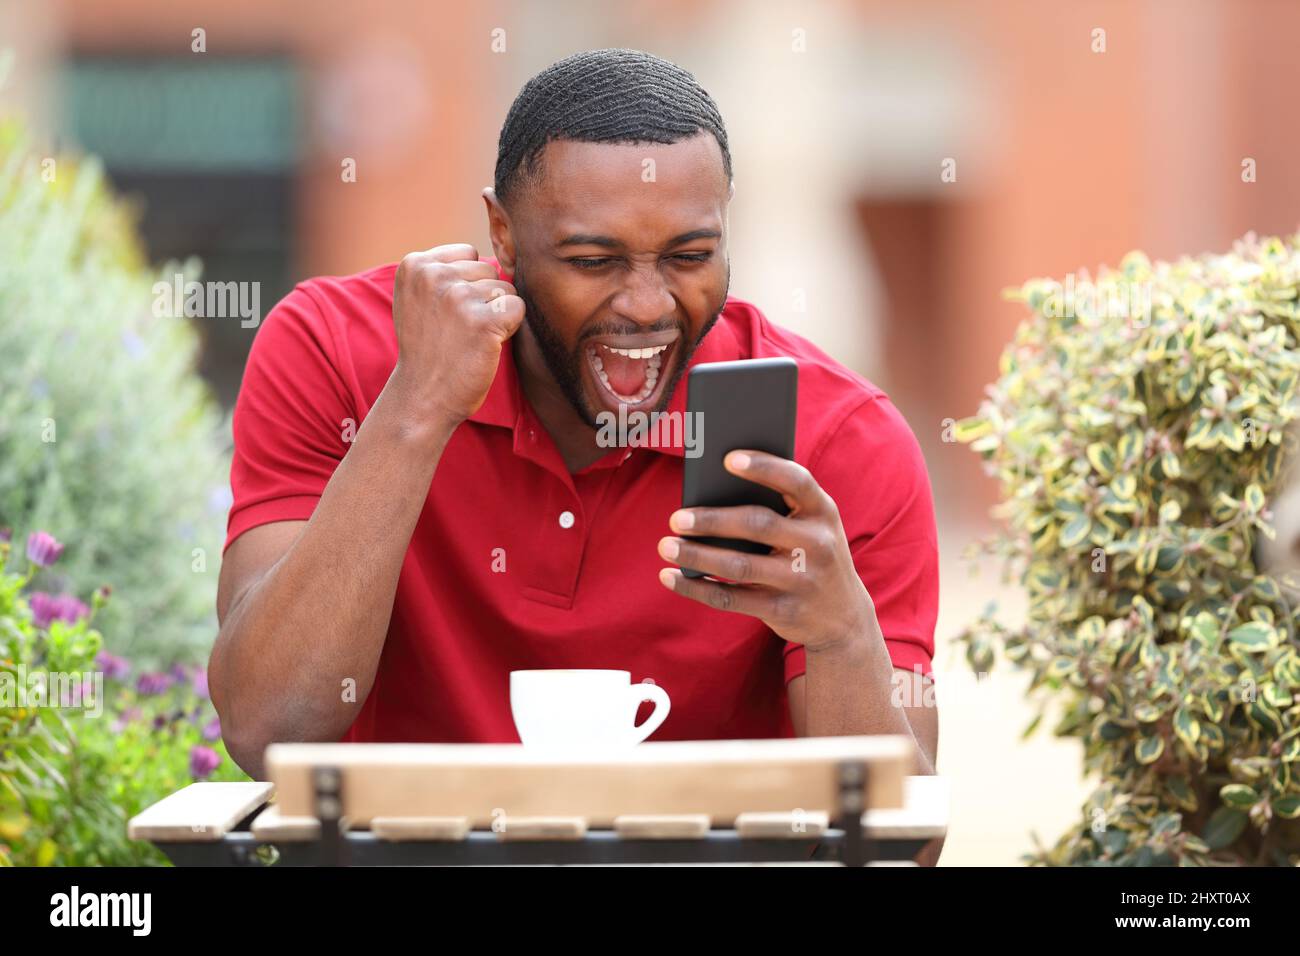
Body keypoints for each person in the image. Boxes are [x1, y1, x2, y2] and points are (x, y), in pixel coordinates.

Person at [209, 51, 942, 831]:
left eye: (690, 257)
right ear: (504, 237)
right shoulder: (334, 353)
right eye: (594, 261)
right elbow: (267, 726)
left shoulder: (837, 438)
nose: (647, 304)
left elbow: (899, 847)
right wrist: (416, 409)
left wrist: (838, 632)